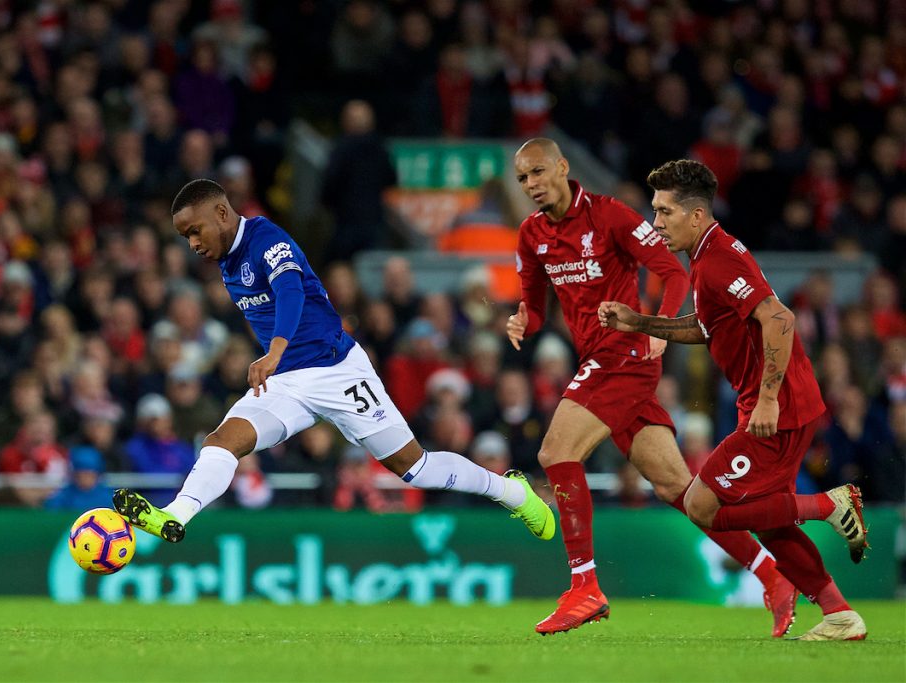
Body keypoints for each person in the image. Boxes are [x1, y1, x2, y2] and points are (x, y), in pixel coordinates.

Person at [113, 178, 554, 547]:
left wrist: (275, 350)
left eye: (195, 231)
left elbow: (290, 292)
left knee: (413, 467)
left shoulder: (268, 239)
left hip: (337, 370)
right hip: (286, 382)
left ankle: (511, 491)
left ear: (223, 214)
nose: (192, 243)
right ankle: (174, 515)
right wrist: (278, 359)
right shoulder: (228, 262)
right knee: (222, 440)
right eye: (184, 237)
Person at [507, 138, 797, 637]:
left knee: (556, 453)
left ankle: (585, 587)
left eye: (537, 172)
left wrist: (658, 329)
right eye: (522, 179)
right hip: (599, 363)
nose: (531, 185)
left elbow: (673, 274)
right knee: (677, 489)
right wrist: (521, 321)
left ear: (562, 166)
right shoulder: (531, 235)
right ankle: (773, 575)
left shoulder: (610, 216)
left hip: (623, 356)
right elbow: (534, 309)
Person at [599, 158, 867, 641]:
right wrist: (639, 322)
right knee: (768, 519)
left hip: (777, 409)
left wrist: (767, 401)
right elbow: (706, 328)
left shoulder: (720, 259)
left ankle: (828, 507)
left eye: (664, 212)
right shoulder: (705, 257)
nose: (655, 224)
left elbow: (779, 319)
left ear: (696, 215)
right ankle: (839, 614)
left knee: (702, 503)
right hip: (773, 405)